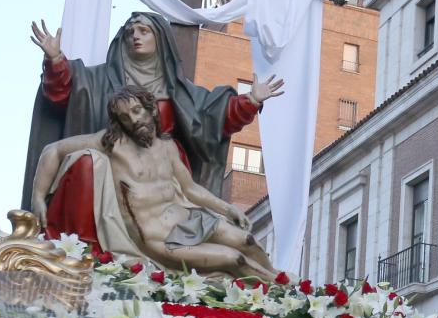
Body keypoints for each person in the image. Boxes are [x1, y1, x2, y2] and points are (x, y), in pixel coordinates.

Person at [24, 12, 284, 232]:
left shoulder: (177, 91)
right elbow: (66, 93)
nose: (135, 36)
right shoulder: (99, 80)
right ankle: (85, 250)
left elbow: (215, 116)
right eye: (130, 32)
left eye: (143, 31)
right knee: (86, 164)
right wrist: (56, 60)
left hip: (164, 170)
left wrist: (251, 99)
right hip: (115, 162)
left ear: (159, 39)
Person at [31, 85, 278, 279]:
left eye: (136, 110)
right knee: (234, 259)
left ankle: (281, 281)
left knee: (248, 241)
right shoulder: (112, 144)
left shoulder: (168, 147)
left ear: (150, 108)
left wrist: (228, 208)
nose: (134, 120)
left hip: (190, 220)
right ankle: (280, 293)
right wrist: (38, 197)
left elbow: (191, 189)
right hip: (159, 239)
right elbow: (53, 150)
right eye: (125, 117)